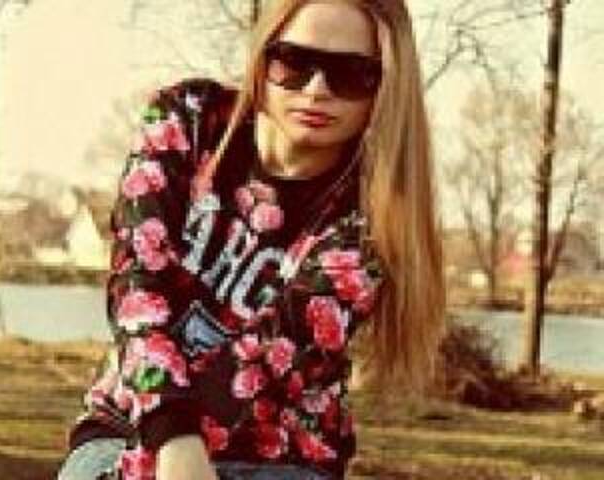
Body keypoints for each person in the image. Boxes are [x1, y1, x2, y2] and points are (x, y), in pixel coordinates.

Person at [57, 0, 444, 478]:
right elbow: (138, 283)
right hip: (128, 425)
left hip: (281, 459)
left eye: (351, 74)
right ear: (263, 57)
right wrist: (169, 439)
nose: (317, 89)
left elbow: (261, 367)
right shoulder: (187, 121)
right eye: (294, 61)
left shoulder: (375, 223)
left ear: (385, 87)